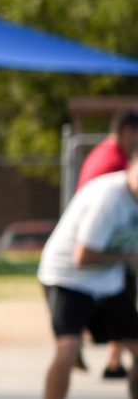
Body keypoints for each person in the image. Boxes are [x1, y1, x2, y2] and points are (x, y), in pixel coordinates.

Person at [38, 158, 138, 399]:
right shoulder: (110, 199)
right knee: (68, 348)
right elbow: (83, 257)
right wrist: (129, 257)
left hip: (108, 279)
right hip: (68, 277)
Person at [72, 109, 138, 378]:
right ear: (128, 132)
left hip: (107, 242)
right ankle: (91, 350)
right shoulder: (113, 163)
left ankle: (113, 361)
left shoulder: (111, 154)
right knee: (122, 310)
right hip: (99, 244)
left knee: (124, 310)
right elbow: (104, 214)